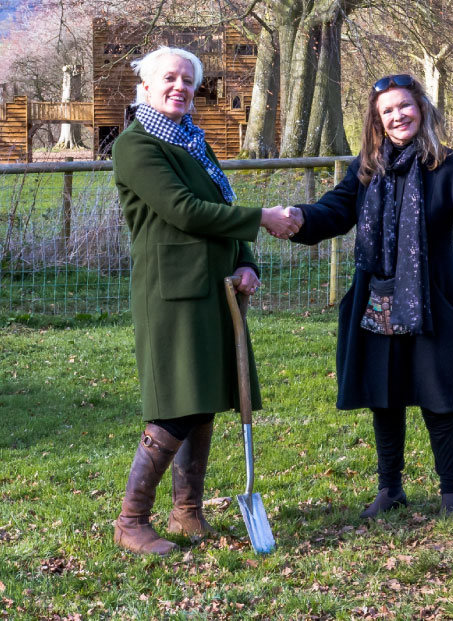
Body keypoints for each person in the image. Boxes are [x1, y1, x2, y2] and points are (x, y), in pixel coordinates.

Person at [283, 74, 453, 517]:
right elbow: (335, 211)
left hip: (429, 300)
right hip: (378, 298)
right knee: (384, 393)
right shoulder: (366, 168)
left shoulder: (447, 166)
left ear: (422, 109)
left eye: (404, 107)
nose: (397, 116)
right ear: (377, 121)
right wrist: (298, 216)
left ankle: (450, 493)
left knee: (437, 394)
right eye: (387, 111)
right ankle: (390, 489)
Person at [111, 46, 299, 555]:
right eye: (169, 78)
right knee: (176, 400)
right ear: (145, 87)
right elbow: (184, 210)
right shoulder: (135, 144)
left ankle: (187, 512)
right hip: (172, 291)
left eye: (188, 80)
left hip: (217, 287)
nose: (179, 87)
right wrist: (262, 219)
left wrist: (246, 262)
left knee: (206, 398)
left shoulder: (192, 139)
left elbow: (220, 203)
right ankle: (131, 521)